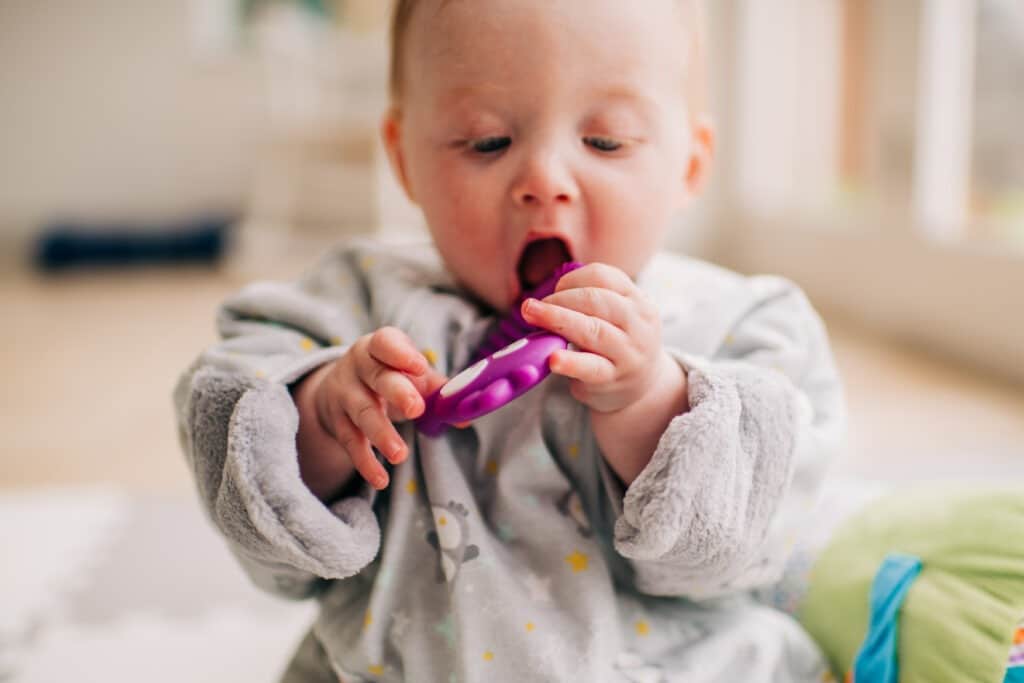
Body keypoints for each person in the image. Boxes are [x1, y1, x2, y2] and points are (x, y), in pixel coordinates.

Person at [173, 1, 847, 680]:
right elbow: (234, 420)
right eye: (487, 141)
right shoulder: (357, 299)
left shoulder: (741, 321)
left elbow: (764, 535)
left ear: (690, 164)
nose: (544, 182)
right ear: (404, 156)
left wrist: (653, 402)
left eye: (606, 141)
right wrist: (322, 414)